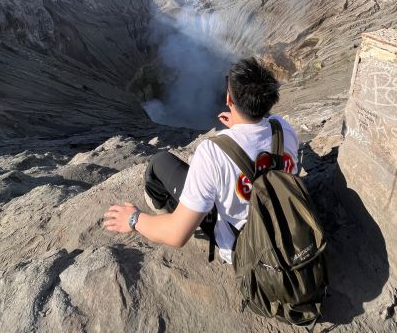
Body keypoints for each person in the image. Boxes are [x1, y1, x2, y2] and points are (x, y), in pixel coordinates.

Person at [103, 57, 299, 263]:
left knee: (160, 163)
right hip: (287, 230)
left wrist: (134, 219)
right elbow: (257, 136)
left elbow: (176, 236)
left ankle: (169, 208)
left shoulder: (213, 152)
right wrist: (239, 127)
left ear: (229, 100)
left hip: (246, 250)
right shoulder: (282, 127)